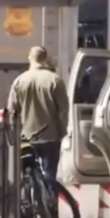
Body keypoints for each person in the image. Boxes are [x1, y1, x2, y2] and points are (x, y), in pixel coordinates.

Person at [7, 46, 69, 180]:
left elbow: (12, 111)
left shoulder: (20, 81)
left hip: (26, 137)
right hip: (50, 137)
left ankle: (28, 196)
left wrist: (14, 133)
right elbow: (63, 110)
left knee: (26, 173)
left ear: (30, 58)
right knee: (49, 175)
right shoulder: (55, 80)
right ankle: (49, 198)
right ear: (45, 59)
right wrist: (62, 131)